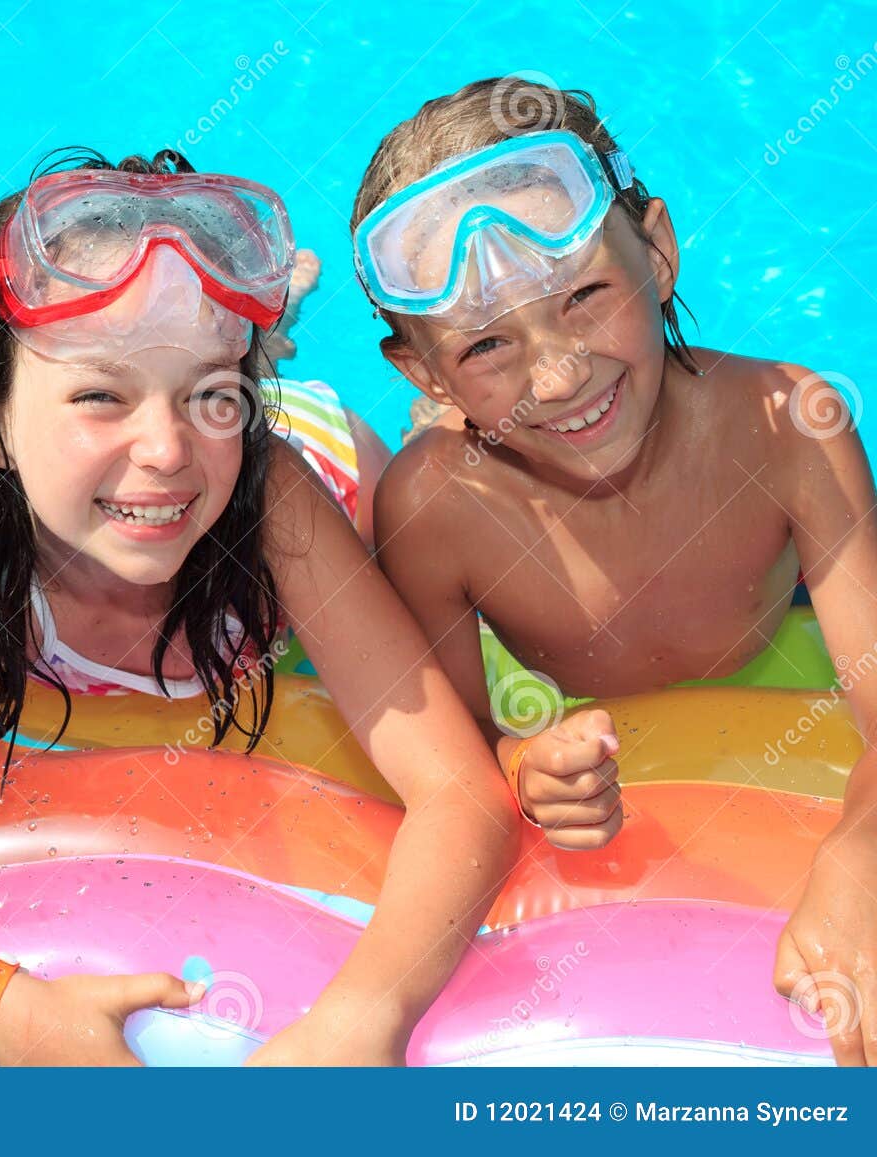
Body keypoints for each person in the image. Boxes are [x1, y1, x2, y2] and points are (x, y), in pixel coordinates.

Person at [0, 149, 518, 1066]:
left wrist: (364, 1016)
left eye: (209, 389)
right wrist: (5, 1015)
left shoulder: (273, 493)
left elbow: (462, 794)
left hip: (322, 462)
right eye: (100, 394)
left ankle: (277, 341)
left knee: (391, 470)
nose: (165, 448)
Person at [362, 77, 877, 1065]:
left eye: (584, 297)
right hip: (550, 694)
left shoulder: (790, 431)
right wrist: (524, 768)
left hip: (784, 652)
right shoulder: (432, 512)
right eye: (486, 345)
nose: (558, 374)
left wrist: (860, 849)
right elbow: (447, 762)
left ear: (659, 249)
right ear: (423, 372)